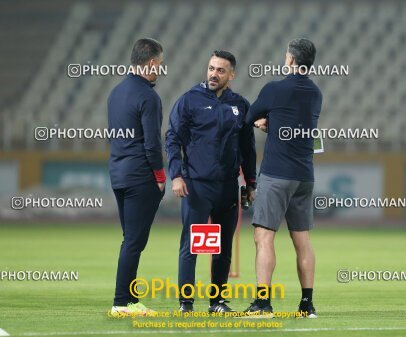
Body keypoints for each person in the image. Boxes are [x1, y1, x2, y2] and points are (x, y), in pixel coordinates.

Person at [166, 50, 256, 314]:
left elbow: (247, 148)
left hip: (228, 186)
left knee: (223, 247)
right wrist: (176, 175)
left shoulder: (240, 104)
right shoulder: (189, 100)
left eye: (220, 70)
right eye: (211, 68)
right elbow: (172, 139)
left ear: (231, 74)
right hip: (197, 185)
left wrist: (250, 182)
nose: (213, 74)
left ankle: (217, 302)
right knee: (192, 245)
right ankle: (186, 302)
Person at [243, 39, 322, 318]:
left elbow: (247, 117)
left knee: (263, 237)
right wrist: (275, 124)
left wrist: (261, 122)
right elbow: (297, 124)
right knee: (302, 241)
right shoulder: (315, 93)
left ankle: (263, 303)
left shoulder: (274, 89)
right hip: (304, 175)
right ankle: (307, 305)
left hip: (277, 174)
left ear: (290, 59)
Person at [107, 38, 166, 317]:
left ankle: (130, 300)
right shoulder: (148, 97)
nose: (160, 70)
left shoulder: (115, 93)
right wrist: (160, 175)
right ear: (152, 62)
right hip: (140, 176)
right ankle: (122, 302)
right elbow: (152, 143)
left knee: (130, 239)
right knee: (134, 241)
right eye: (161, 64)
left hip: (118, 173)